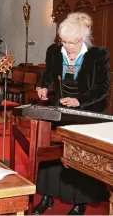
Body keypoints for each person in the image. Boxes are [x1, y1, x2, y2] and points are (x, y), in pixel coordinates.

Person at [35, 12, 110, 215]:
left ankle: (79, 203)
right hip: (60, 111)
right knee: (51, 155)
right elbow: (49, 75)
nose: (66, 47)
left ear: (82, 39)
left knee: (81, 159)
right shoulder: (54, 51)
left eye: (71, 43)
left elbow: (103, 88)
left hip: (86, 114)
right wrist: (44, 87)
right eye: (63, 42)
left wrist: (80, 101)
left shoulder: (98, 55)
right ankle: (47, 197)